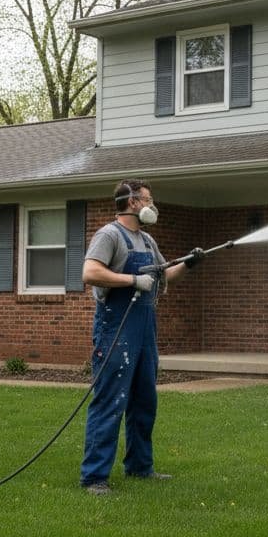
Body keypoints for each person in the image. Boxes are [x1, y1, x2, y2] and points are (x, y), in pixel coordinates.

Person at [80, 179, 205, 495]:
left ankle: (139, 466)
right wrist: (132, 280)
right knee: (110, 401)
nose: (152, 205)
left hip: (145, 329)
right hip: (115, 329)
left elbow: (164, 276)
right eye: (148, 200)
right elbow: (90, 273)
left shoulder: (147, 240)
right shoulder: (109, 235)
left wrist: (188, 263)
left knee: (144, 401)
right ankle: (94, 477)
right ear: (133, 202)